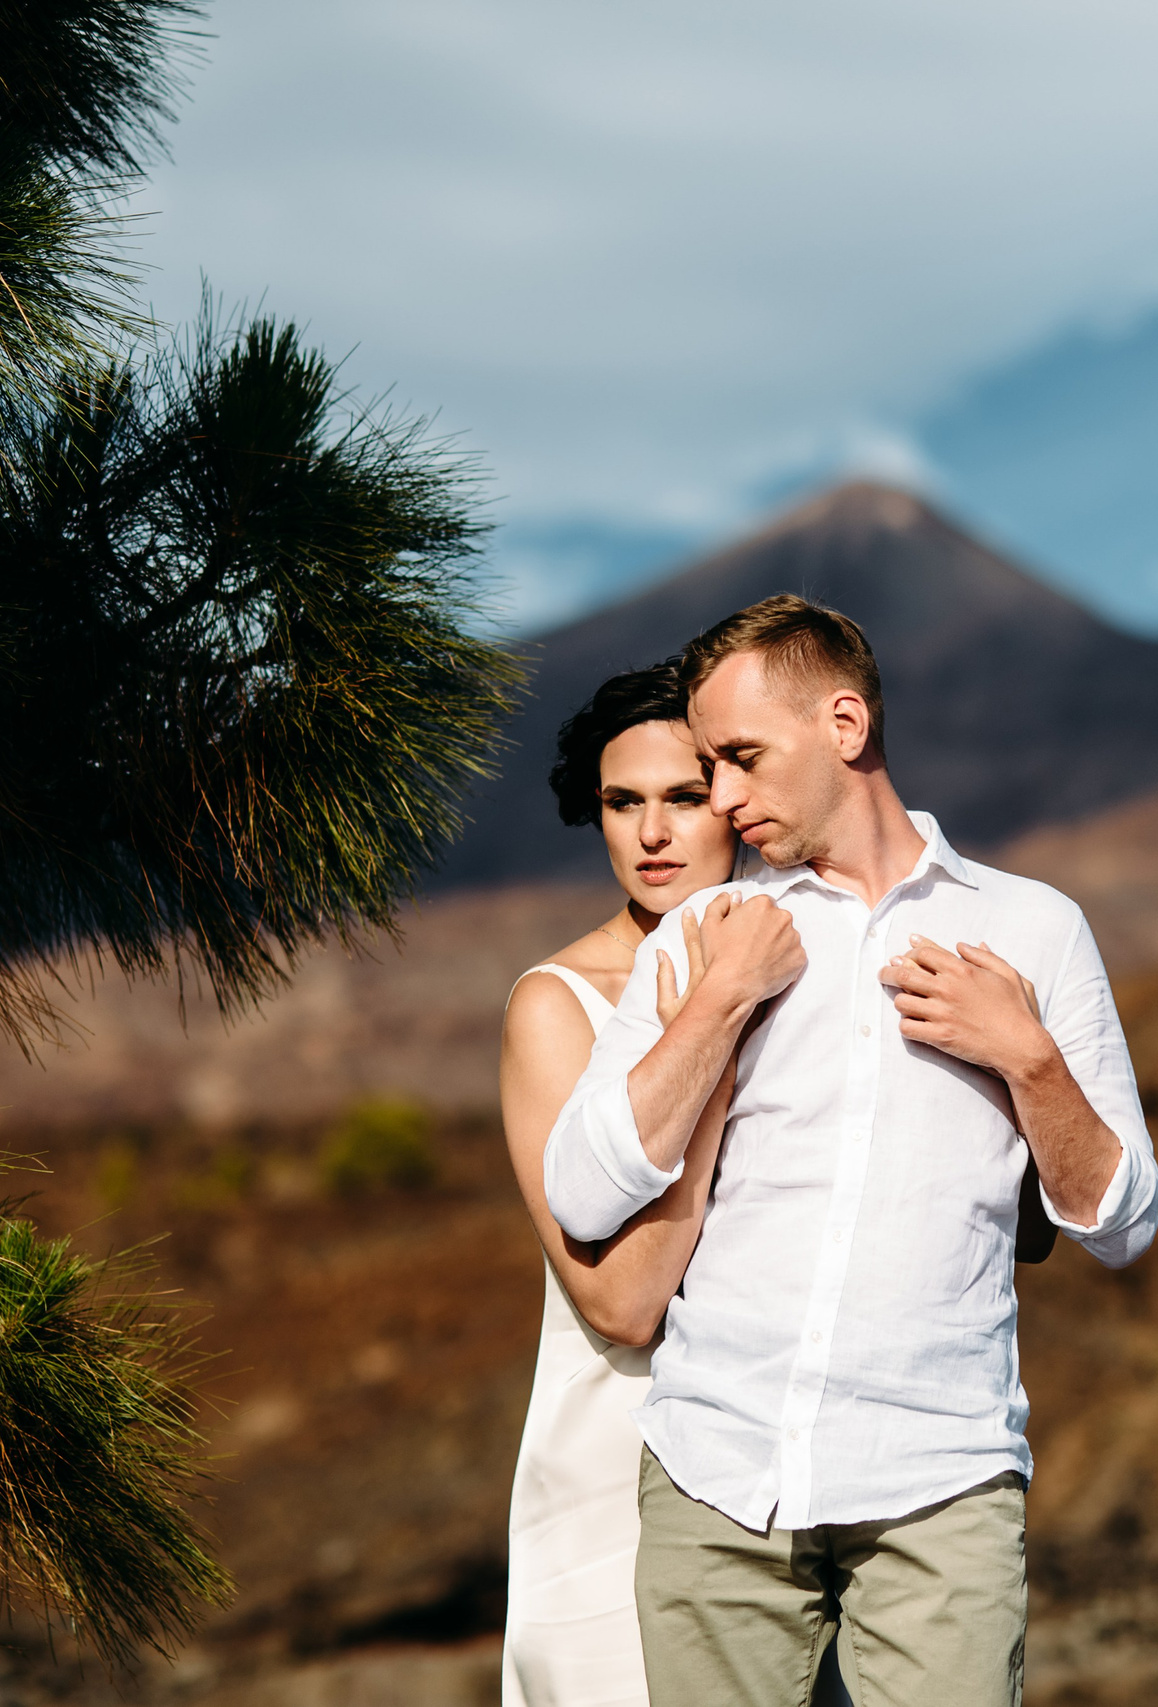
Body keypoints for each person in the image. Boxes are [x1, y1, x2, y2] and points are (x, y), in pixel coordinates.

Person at [542, 596, 1158, 1706]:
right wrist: (718, 1002)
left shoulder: (1033, 929)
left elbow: (1124, 1223)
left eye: (739, 759)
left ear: (842, 725)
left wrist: (1028, 1061)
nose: (721, 800)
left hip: (940, 1488)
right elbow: (582, 1193)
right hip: (715, 1478)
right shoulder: (706, 935)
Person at [499, 662, 746, 1706]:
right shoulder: (557, 1007)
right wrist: (720, 1030)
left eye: (684, 798)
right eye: (622, 802)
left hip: (788, 1472)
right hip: (612, 1480)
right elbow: (618, 1300)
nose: (651, 834)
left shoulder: (810, 971)